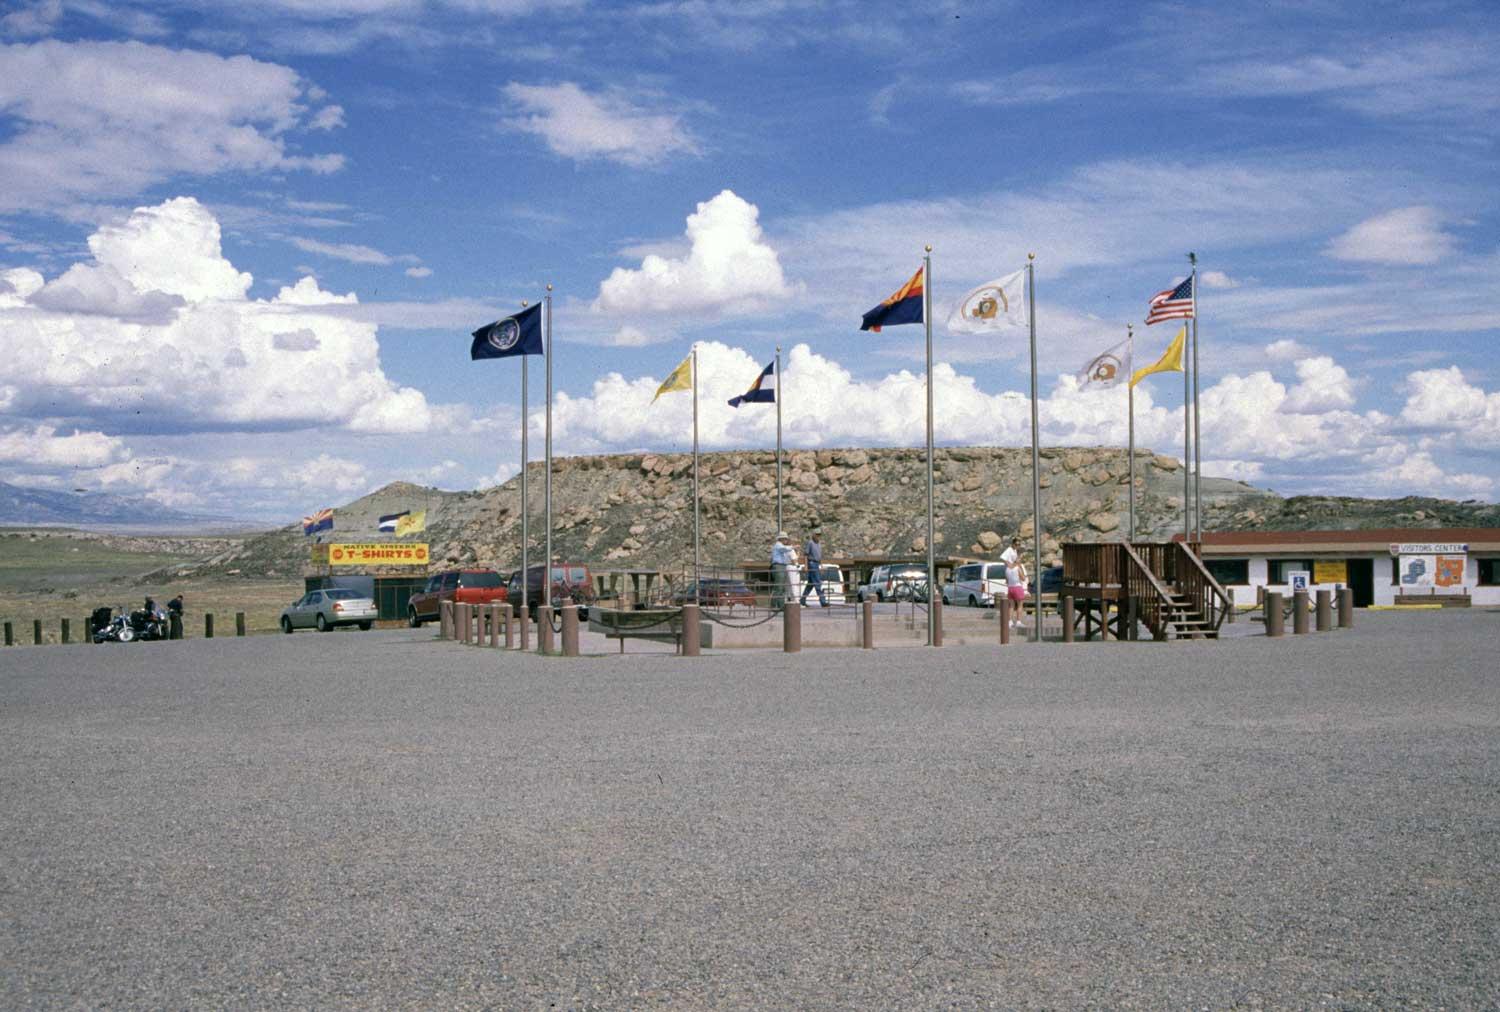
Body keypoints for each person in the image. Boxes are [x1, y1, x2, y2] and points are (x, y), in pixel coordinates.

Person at [800, 531, 828, 607]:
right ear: (813, 535)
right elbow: (806, 555)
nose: (818, 537)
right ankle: (823, 601)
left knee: (810, 584)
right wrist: (806, 565)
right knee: (817, 582)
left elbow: (820, 556)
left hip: (817, 563)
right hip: (812, 563)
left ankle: (802, 600)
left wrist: (821, 566)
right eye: (817, 535)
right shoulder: (810, 543)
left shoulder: (819, 544)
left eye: (819, 535)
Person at [770, 531, 795, 609]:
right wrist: (792, 547)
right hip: (778, 566)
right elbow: (784, 549)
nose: (786, 540)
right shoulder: (778, 545)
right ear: (782, 539)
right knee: (778, 586)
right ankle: (774, 605)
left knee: (781, 587)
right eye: (785, 539)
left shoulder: (779, 546)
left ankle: (780, 605)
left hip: (781, 566)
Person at [1006, 555, 1029, 630]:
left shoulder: (1007, 569)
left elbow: (1006, 580)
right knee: (1019, 605)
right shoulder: (1018, 568)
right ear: (1016, 560)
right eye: (1019, 559)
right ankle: (1018, 621)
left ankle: (1010, 622)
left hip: (1010, 588)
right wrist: (1021, 569)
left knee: (1011, 606)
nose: (1020, 561)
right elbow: (1023, 578)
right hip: (1018, 587)